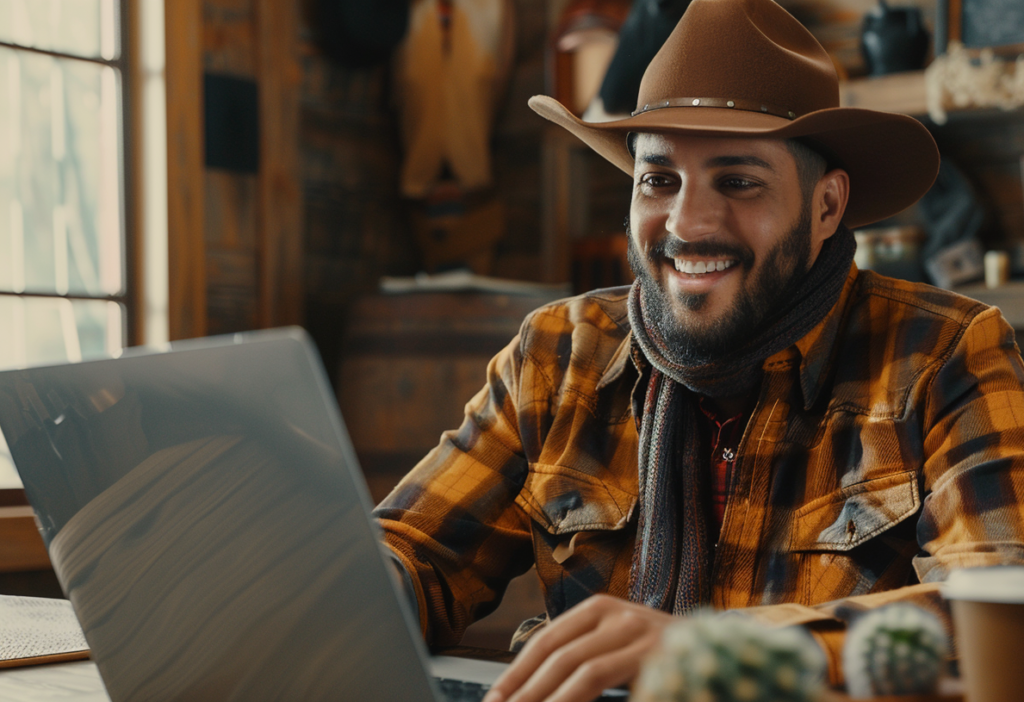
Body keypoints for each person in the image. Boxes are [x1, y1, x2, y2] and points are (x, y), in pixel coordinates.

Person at [374, 0, 1024, 699]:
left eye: (738, 181)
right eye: (658, 180)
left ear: (827, 207)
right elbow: (415, 553)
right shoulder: (556, 355)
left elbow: (995, 622)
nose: (687, 223)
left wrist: (712, 651)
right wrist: (347, 584)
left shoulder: (949, 354)